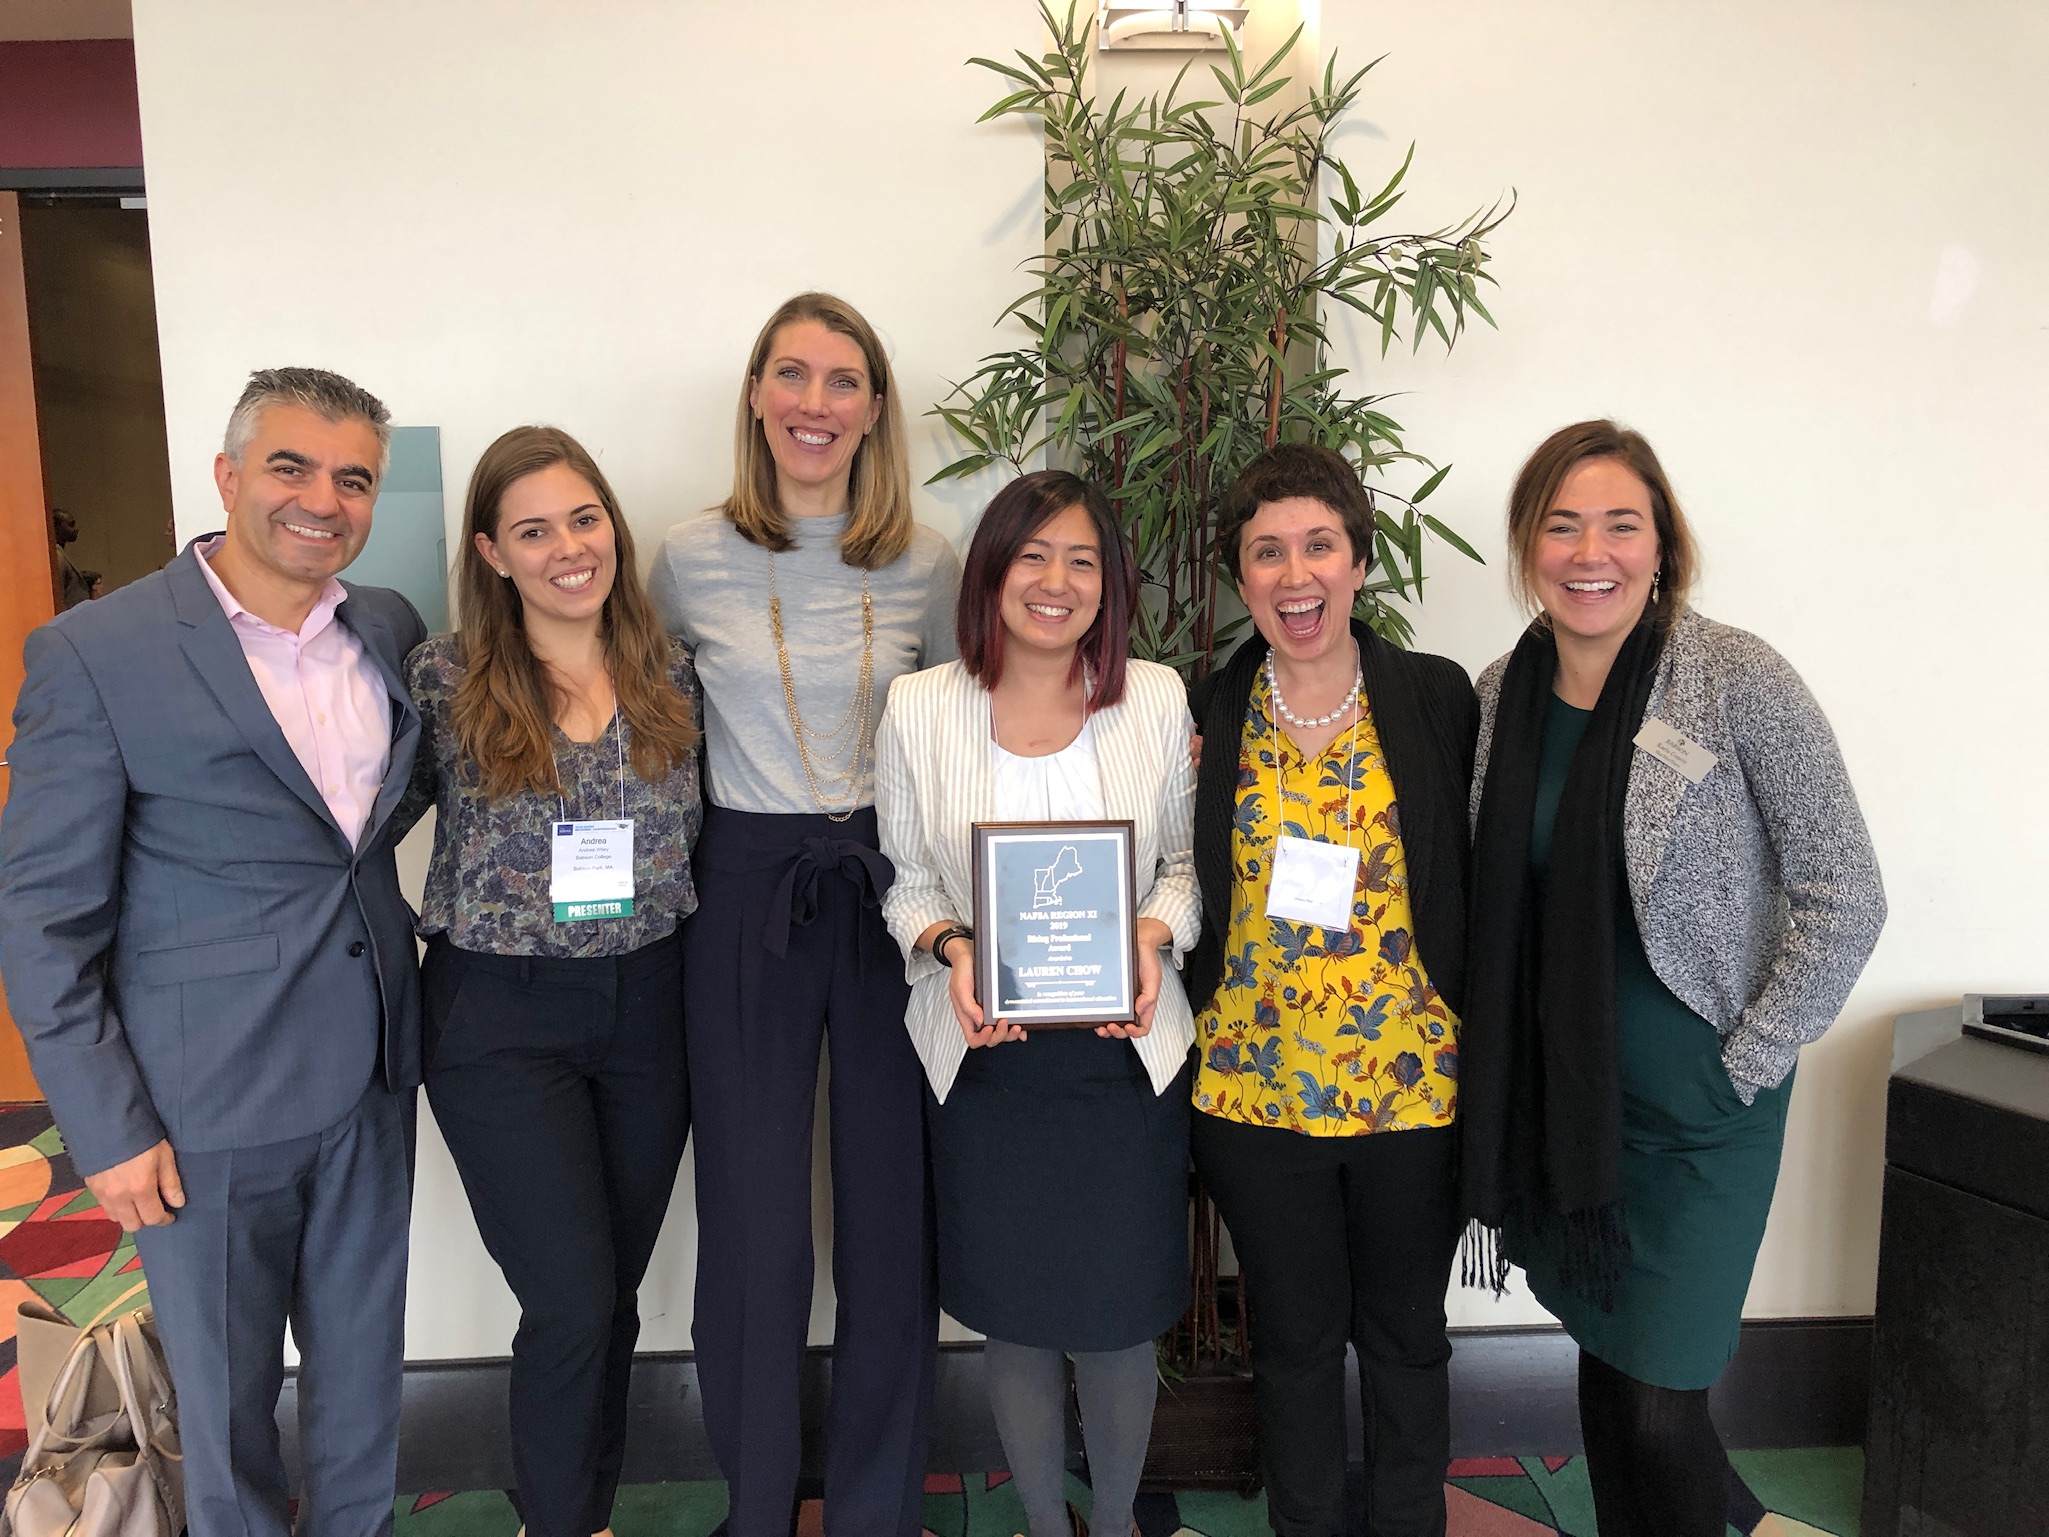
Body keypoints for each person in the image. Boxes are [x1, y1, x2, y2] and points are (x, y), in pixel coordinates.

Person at [0, 368, 427, 1537]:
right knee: (227, 1409)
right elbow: (41, 917)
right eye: (291, 466)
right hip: (202, 1108)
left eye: (353, 479)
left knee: (362, 1388)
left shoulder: (385, 626)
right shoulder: (97, 651)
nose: (321, 500)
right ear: (230, 474)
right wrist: (109, 1124)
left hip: (375, 1075)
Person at [1457, 420, 1886, 1537]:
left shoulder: (1734, 676)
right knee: (1608, 1364)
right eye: (1561, 524)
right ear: (1526, 546)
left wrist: (1749, 1057)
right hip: (1574, 1111)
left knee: (1656, 1398)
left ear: (1662, 546)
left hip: (1702, 1120)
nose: (1589, 550)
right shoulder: (1506, 694)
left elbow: (1845, 888)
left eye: (1619, 523)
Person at [647, 292, 958, 1537]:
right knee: (756, 1223)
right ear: (757, 398)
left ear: (875, 408)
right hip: (746, 889)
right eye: (792, 375)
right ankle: (759, 1503)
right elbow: (642, 709)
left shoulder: (930, 558)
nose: (814, 404)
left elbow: (963, 726)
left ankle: (880, 1506)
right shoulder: (683, 554)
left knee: (891, 1214)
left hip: (892, 890)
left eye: (842, 381)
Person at [875, 470, 1199, 1537]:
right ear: (993, 572)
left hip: (1124, 1059)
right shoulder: (920, 707)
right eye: (1033, 556)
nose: (1056, 582)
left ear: (1109, 583)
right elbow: (909, 882)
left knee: (1118, 1321)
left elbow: (1187, 870)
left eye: (1083, 560)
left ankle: (1109, 1523)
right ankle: (1043, 1526)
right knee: (1013, 1321)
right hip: (987, 1059)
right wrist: (953, 948)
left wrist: (1152, 938)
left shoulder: (1154, 696)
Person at [401, 426, 701, 1537]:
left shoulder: (673, 670)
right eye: (534, 529)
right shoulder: (443, 678)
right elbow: (343, 824)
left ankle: (581, 1512)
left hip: (651, 1008)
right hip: (499, 1017)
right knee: (570, 1296)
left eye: (584, 519)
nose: (569, 547)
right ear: (491, 550)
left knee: (607, 1300)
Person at [1185, 442, 1478, 1537]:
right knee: (1295, 1347)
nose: (1294, 574)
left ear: (1359, 561)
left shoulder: (1435, 698)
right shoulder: (1206, 714)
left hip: (1411, 1091)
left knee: (1407, 1336)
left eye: (1318, 545)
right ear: (1242, 576)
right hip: (1258, 1099)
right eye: (1267, 553)